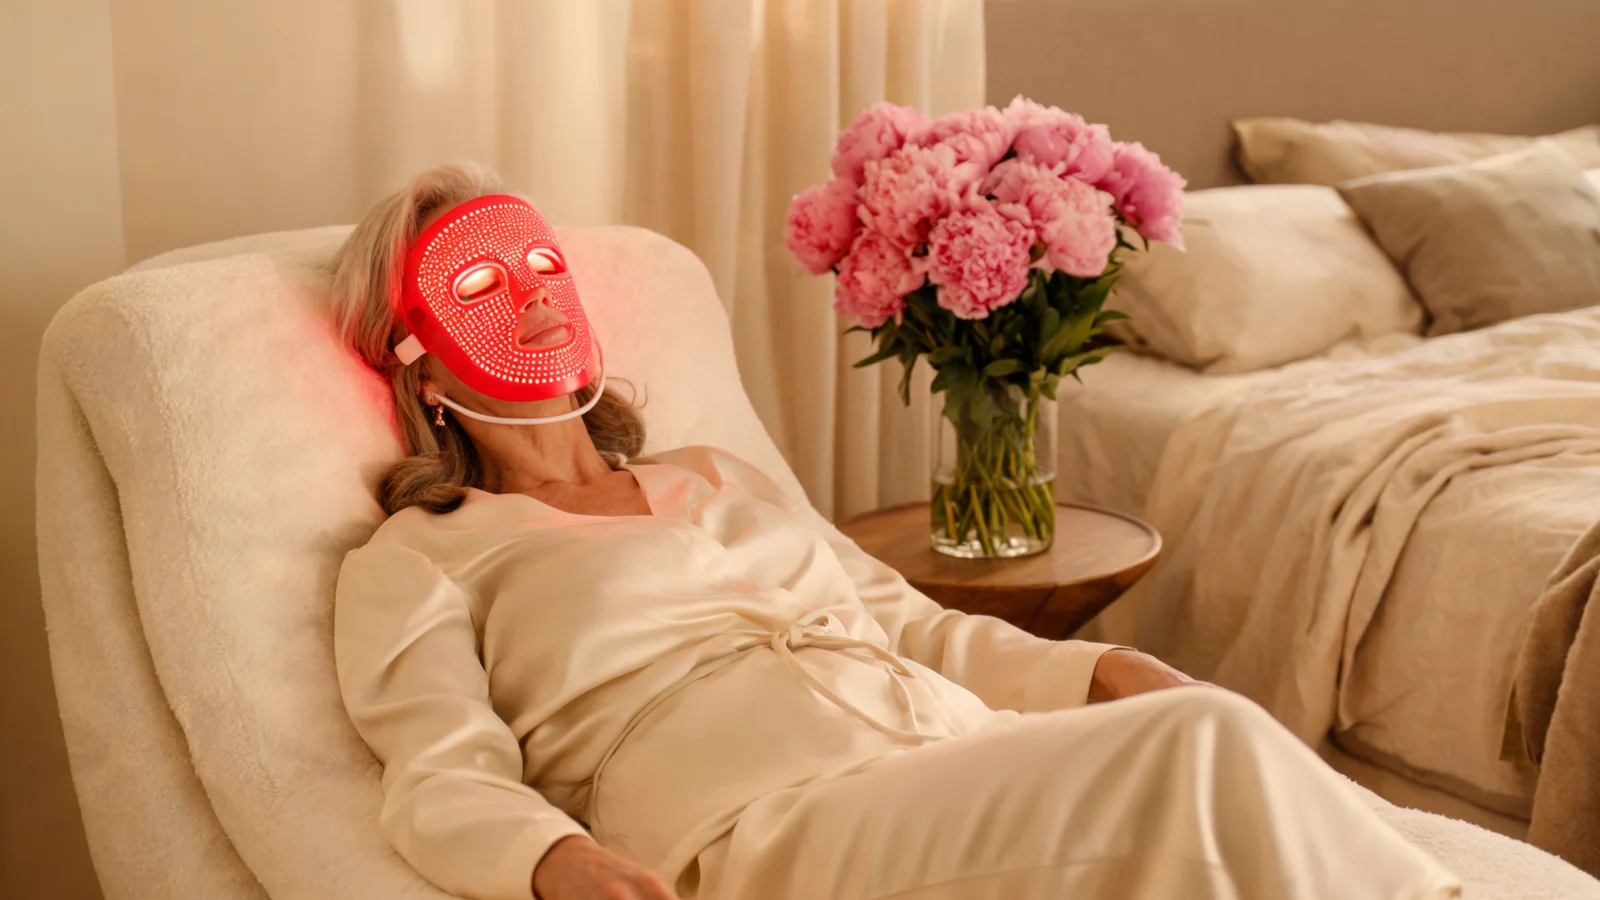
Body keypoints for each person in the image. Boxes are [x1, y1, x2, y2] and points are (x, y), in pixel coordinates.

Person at [330, 163, 1460, 900]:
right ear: (415, 358)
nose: (531, 292)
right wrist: (554, 863)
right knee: (1198, 749)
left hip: (944, 748)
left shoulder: (710, 477)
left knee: (1198, 718)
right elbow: (437, 773)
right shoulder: (425, 556)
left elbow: (913, 627)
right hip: (762, 824)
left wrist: (1098, 668)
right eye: (478, 277)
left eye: (540, 263)